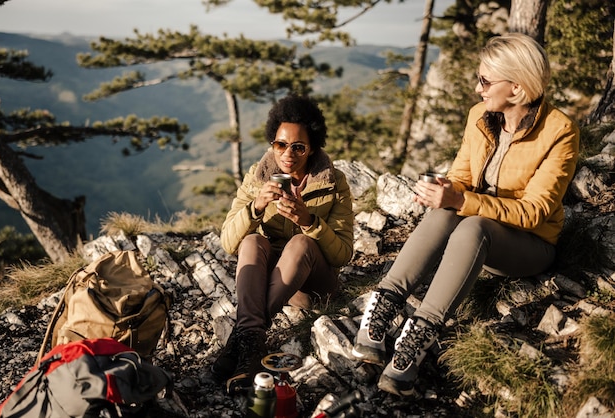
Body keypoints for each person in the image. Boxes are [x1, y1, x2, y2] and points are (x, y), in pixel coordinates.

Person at [351, 33, 580, 397]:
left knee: (470, 224)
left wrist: (461, 201)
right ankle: (384, 305)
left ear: (518, 89)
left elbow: (535, 213)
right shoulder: (480, 117)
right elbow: (462, 177)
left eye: (486, 81)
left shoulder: (560, 132)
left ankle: (420, 335)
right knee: (447, 214)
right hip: (471, 234)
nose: (477, 89)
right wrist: (446, 191)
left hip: (527, 245)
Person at [213, 94, 354, 394]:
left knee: (301, 243)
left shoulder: (333, 181)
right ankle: (251, 341)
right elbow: (228, 242)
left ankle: (241, 340)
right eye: (280, 144)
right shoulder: (259, 176)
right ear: (272, 143)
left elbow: (342, 254)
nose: (287, 154)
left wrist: (310, 222)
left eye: (298, 147)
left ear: (312, 147)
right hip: (275, 283)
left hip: (313, 287)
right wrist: (256, 207)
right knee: (251, 241)